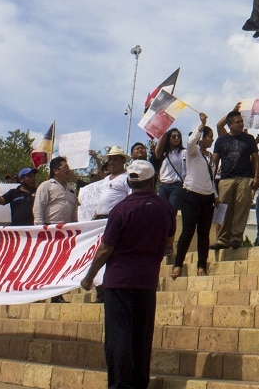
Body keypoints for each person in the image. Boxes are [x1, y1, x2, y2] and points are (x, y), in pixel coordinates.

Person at [79, 160, 174, 389]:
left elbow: (106, 248)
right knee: (142, 339)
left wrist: (89, 276)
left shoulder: (121, 209)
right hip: (147, 281)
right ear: (153, 181)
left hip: (119, 281)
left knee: (119, 337)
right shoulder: (166, 209)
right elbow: (169, 245)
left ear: (130, 182)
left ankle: (121, 385)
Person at [170, 115, 216, 278]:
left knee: (204, 234)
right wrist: (201, 125)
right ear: (202, 138)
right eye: (210, 137)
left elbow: (210, 177)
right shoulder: (193, 151)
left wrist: (215, 195)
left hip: (207, 197)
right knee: (188, 231)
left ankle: (201, 266)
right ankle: (178, 264)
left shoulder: (210, 158)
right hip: (191, 195)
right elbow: (190, 141)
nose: (212, 140)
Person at [213, 109, 259, 249]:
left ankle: (236, 238)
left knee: (241, 209)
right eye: (238, 122)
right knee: (224, 209)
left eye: (242, 121)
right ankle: (222, 240)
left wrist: (256, 177)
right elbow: (214, 162)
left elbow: (256, 160)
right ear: (230, 124)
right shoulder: (221, 140)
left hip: (244, 178)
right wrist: (211, 181)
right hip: (226, 179)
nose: (241, 124)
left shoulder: (249, 139)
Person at [33, 156, 78, 225]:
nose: (68, 170)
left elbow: (74, 213)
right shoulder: (46, 186)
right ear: (56, 170)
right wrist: (40, 228)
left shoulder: (72, 189)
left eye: (68, 168)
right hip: (50, 228)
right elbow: (38, 208)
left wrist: (75, 227)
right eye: (65, 167)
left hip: (67, 229)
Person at [93, 147, 133, 220]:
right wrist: (95, 216)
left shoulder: (128, 178)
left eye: (115, 159)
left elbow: (131, 200)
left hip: (115, 219)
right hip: (99, 219)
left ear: (123, 161)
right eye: (110, 159)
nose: (111, 162)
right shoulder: (105, 179)